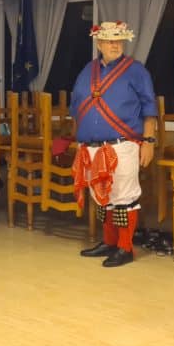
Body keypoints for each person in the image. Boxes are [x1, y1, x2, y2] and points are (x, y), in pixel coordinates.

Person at [70, 21, 157, 268]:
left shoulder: (137, 71)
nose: (115, 45)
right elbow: (76, 106)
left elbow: (150, 108)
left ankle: (125, 248)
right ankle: (109, 242)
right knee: (102, 197)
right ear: (99, 44)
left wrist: (149, 141)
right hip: (91, 146)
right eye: (109, 40)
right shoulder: (87, 70)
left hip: (122, 144)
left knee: (124, 196)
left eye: (118, 40)